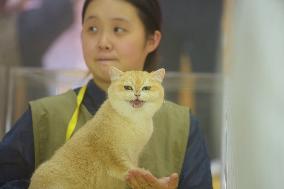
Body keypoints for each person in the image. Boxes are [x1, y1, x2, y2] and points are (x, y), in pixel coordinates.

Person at [0, 0, 213, 188]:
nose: (103, 42)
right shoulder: (43, 116)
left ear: (152, 40)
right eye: (92, 28)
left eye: (118, 29)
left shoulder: (182, 127)